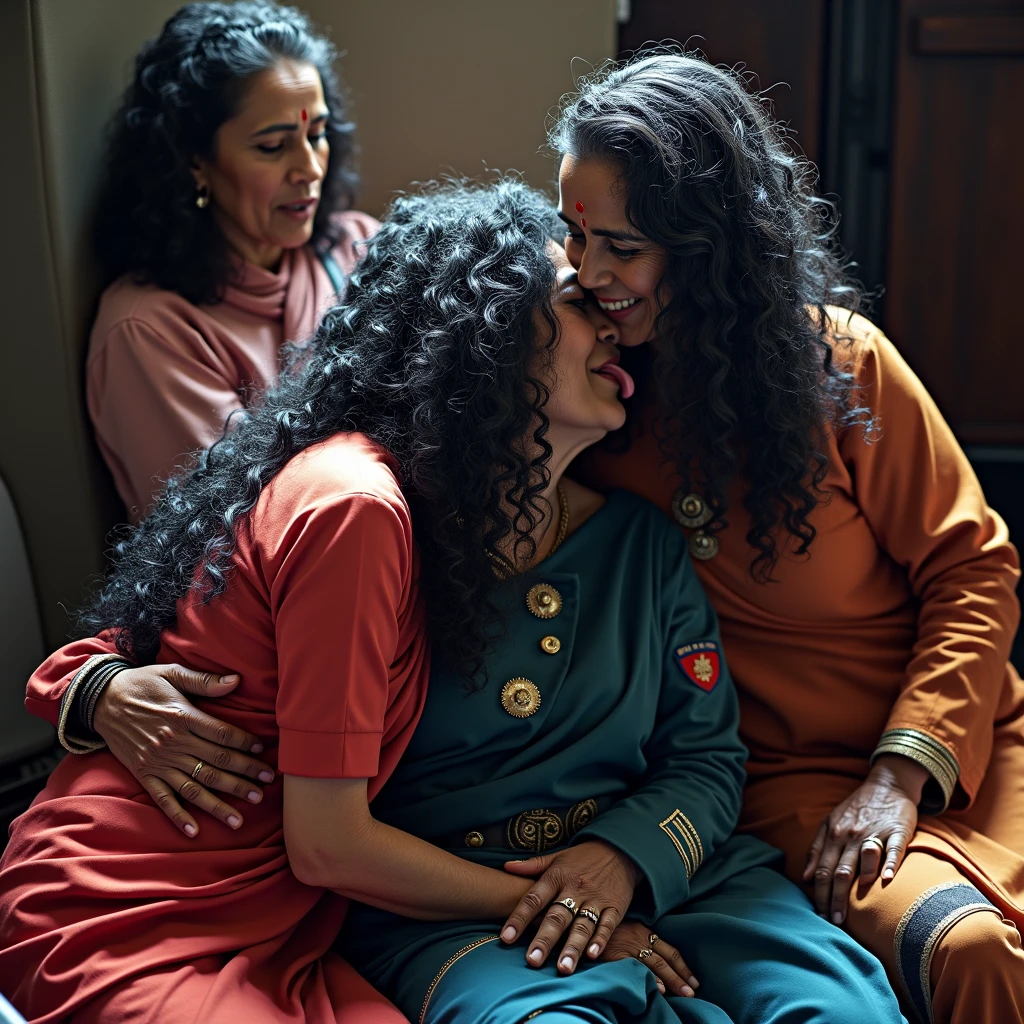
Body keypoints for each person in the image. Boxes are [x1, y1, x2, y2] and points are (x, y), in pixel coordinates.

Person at [1, 182, 904, 1024]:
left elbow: (704, 758)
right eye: (577, 301)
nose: (614, 329)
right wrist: (96, 686)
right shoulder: (370, 512)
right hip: (197, 901)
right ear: (491, 334)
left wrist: (621, 863)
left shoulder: (633, 538)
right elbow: (315, 812)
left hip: (306, 909)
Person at [548, 52, 1023, 1024]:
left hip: (960, 741)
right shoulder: (589, 401)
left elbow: (973, 570)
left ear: (706, 245)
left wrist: (900, 772)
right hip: (792, 790)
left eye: (623, 248)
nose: (590, 274)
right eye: (574, 236)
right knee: (971, 948)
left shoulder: (841, 367)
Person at [87, 1, 378, 521]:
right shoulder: (149, 330)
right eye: (272, 146)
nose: (309, 168)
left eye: (318, 136)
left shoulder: (360, 245)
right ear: (195, 162)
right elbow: (232, 528)